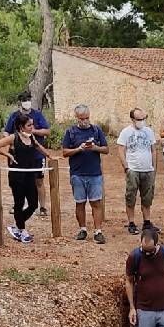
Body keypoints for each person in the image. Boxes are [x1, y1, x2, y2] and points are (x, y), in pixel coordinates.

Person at [0, 114, 54, 243]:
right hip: (17, 176)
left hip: (30, 175)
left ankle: (17, 226)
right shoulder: (14, 138)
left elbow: (38, 147)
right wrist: (8, 155)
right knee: (19, 203)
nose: (32, 127)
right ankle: (22, 230)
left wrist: (50, 156)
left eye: (32, 125)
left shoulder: (31, 138)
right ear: (21, 127)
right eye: (29, 125)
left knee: (33, 204)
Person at [61, 104, 109, 244]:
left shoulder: (96, 130)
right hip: (77, 173)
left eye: (87, 118)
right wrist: (79, 149)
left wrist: (94, 148)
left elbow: (106, 149)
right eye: (82, 118)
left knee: (96, 202)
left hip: (94, 173)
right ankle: (82, 229)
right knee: (80, 203)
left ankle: (98, 231)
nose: (85, 121)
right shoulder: (70, 132)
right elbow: (64, 152)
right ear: (76, 118)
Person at [4, 91, 51, 218]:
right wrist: (11, 145)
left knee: (39, 180)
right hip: (19, 154)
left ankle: (42, 207)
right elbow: (6, 132)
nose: (27, 102)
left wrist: (33, 130)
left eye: (28, 99)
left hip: (36, 155)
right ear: (20, 102)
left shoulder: (37, 115)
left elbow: (47, 131)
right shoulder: (14, 116)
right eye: (24, 100)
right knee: (18, 180)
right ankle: (18, 204)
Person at [117, 107, 159, 234]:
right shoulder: (126, 132)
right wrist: (126, 167)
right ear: (132, 119)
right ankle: (131, 222)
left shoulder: (149, 131)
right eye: (139, 119)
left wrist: (154, 168)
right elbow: (120, 150)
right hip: (133, 169)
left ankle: (147, 222)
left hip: (148, 169)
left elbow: (153, 150)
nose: (141, 121)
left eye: (143, 118)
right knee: (131, 196)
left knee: (147, 197)